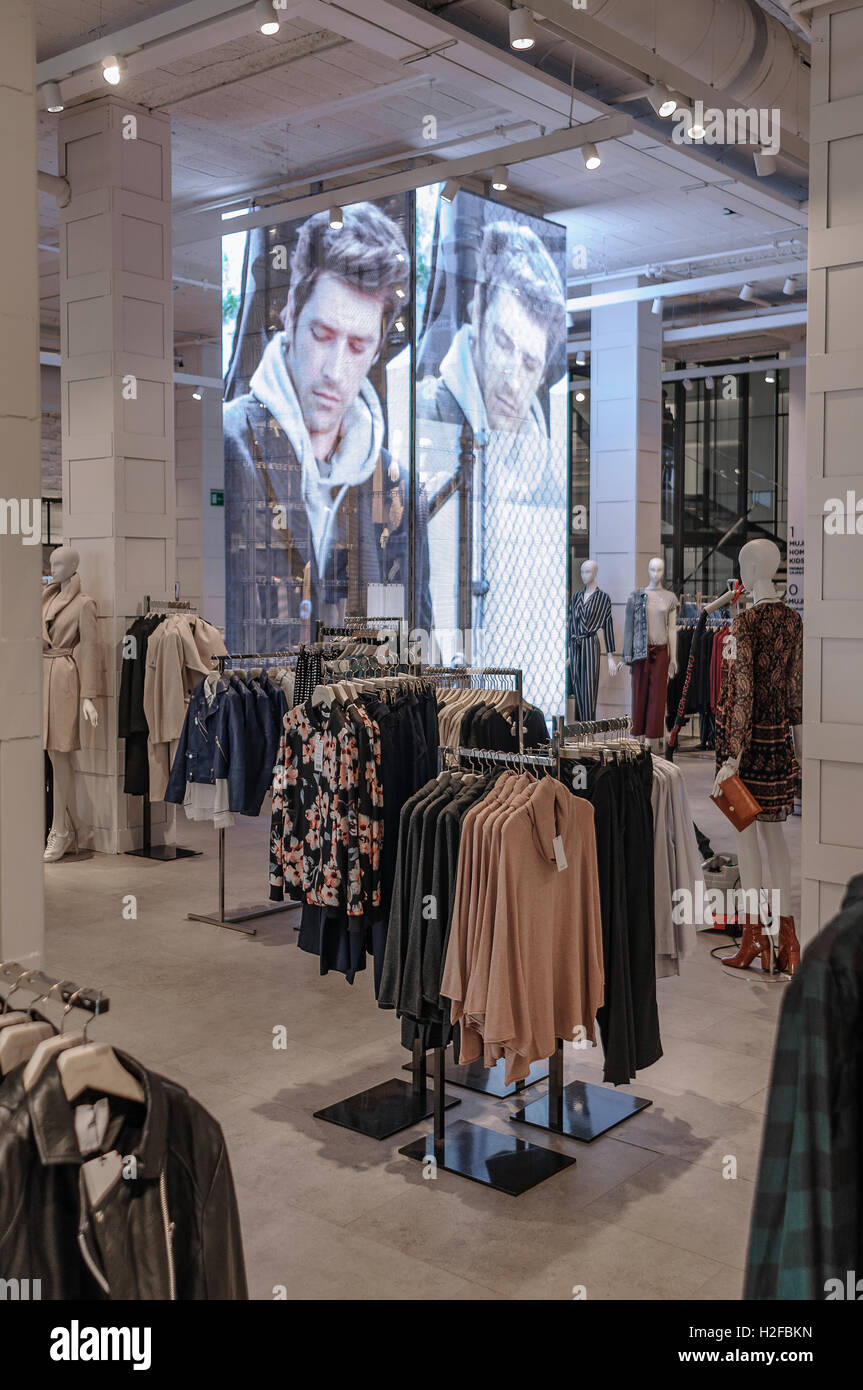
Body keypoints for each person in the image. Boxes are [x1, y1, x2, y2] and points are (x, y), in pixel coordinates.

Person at [225, 202, 432, 650]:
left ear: (377, 351)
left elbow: (417, 646)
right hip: (261, 712)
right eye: (323, 336)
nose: (335, 371)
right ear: (292, 317)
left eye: (358, 345)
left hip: (364, 711)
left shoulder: (398, 490)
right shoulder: (229, 446)